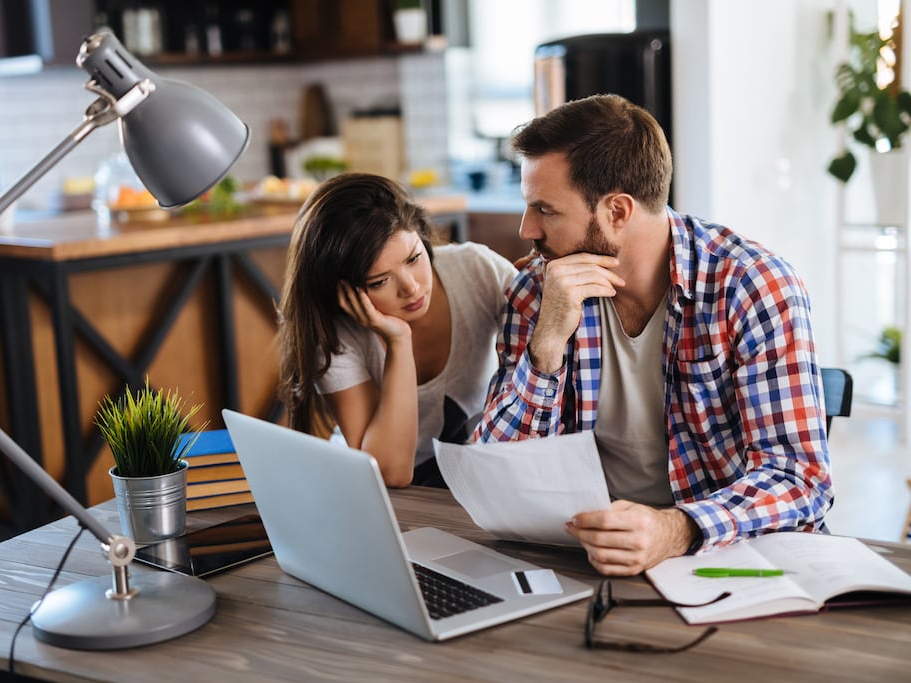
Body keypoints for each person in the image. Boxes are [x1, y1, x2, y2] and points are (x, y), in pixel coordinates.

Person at [474, 94, 833, 575]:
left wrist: (675, 529)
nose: (526, 230)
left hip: (725, 556)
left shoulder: (751, 286)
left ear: (618, 211)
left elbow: (799, 479)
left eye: (545, 209)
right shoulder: (538, 292)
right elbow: (494, 473)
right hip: (587, 556)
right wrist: (546, 348)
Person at [278, 173, 517, 487]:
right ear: (342, 291)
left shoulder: (478, 270)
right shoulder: (335, 336)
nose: (411, 287)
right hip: (383, 495)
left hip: (477, 481)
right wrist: (399, 340)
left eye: (414, 258)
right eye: (379, 281)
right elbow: (390, 472)